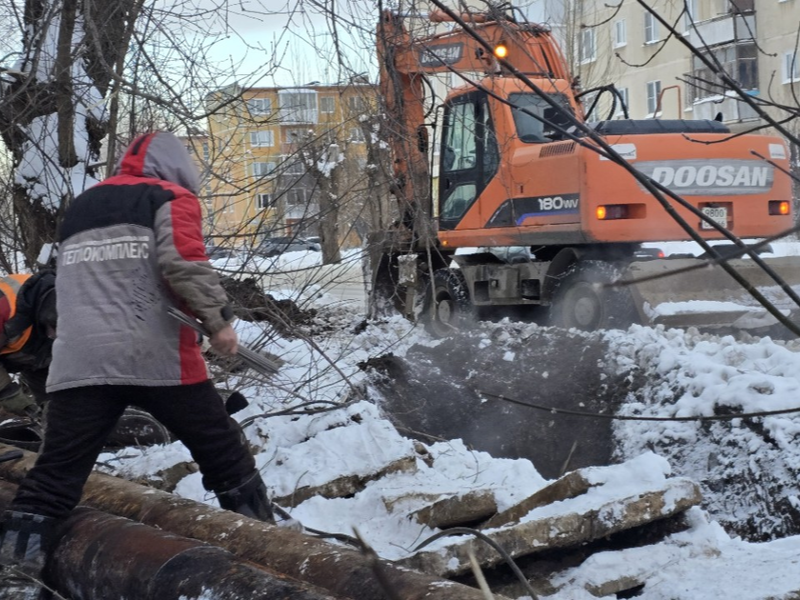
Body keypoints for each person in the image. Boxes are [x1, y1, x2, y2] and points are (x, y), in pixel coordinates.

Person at [0, 131, 274, 596]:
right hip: (156, 357)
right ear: (176, 168)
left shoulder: (82, 208)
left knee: (56, 474)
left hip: (78, 361)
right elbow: (184, 262)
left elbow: (67, 285)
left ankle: (15, 573)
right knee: (223, 451)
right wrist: (219, 321)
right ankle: (269, 546)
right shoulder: (169, 196)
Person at [0, 270, 57, 417]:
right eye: (54, 328)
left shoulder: (59, 290)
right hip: (24, 353)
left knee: (56, 410)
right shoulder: (4, 306)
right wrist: (8, 393)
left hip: (36, 355)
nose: (54, 334)